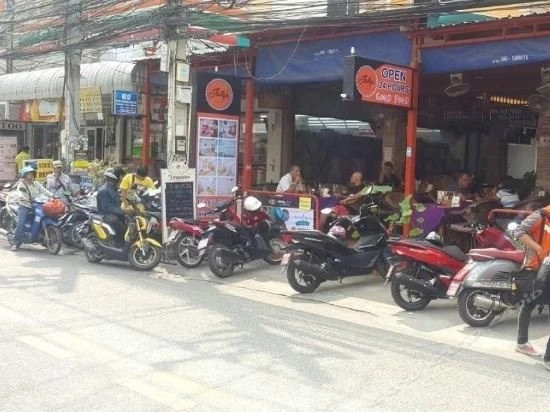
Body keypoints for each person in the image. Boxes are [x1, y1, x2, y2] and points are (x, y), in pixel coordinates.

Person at [513, 206, 550, 367]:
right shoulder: (541, 215)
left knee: (528, 303)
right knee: (528, 304)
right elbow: (518, 231)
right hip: (535, 267)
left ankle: (522, 343)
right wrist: (538, 248)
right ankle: (523, 343)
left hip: (546, 269)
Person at [11, 166, 53, 251]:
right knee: (21, 223)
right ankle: (15, 243)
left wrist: (52, 196)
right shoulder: (22, 184)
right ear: (25, 175)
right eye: (29, 174)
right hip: (25, 205)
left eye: (32, 174)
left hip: (37, 205)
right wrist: (23, 197)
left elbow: (44, 191)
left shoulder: (36, 183)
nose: (31, 175)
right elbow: (20, 193)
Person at [97, 169, 126, 245]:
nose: (121, 180)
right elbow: (106, 207)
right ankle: (119, 243)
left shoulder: (113, 188)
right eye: (120, 178)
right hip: (106, 215)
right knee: (118, 223)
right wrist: (122, 211)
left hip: (115, 213)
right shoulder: (104, 190)